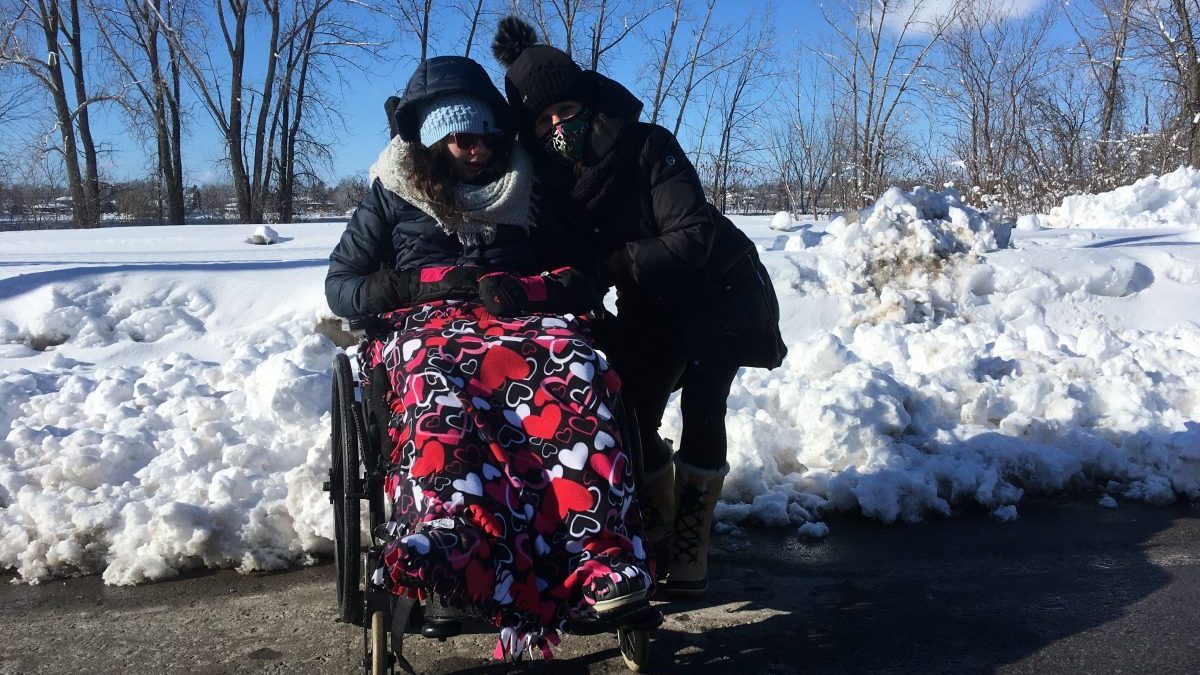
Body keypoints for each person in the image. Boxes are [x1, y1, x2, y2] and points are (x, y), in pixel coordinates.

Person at [324, 55, 652, 659]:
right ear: (428, 143)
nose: (477, 151)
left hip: (520, 319)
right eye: (460, 140)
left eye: (486, 138)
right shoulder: (392, 193)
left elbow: (579, 273)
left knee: (577, 365)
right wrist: (403, 288)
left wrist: (531, 288)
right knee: (434, 377)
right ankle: (452, 535)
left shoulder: (529, 187)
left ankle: (598, 552)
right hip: (427, 325)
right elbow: (340, 283)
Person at [492, 17, 787, 600]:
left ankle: (690, 544)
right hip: (649, 300)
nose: (558, 126)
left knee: (705, 400)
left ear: (590, 101)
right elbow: (559, 258)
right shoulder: (548, 184)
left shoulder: (648, 145)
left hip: (717, 289)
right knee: (630, 405)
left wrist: (608, 267)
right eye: (544, 120)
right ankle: (657, 514)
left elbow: (691, 236)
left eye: (566, 111)